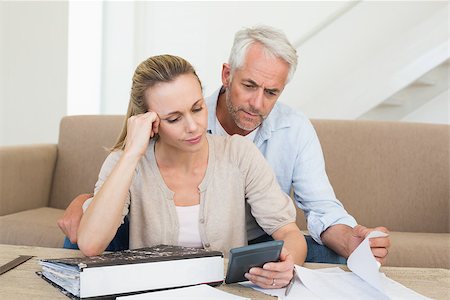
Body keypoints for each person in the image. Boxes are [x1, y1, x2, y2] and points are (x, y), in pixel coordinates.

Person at [59, 25, 390, 265]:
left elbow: (308, 214)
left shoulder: (259, 142)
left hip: (250, 243)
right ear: (227, 75)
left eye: (271, 92)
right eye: (248, 85)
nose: (256, 103)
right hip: (151, 246)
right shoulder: (150, 139)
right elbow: (94, 237)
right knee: (83, 233)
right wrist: (127, 157)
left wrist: (342, 239)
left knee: (325, 252)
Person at [76, 54, 307, 289]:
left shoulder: (239, 154)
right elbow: (90, 245)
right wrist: (132, 153)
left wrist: (287, 264)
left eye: (197, 109)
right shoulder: (125, 162)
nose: (193, 126)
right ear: (148, 120)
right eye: (174, 118)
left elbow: (289, 232)